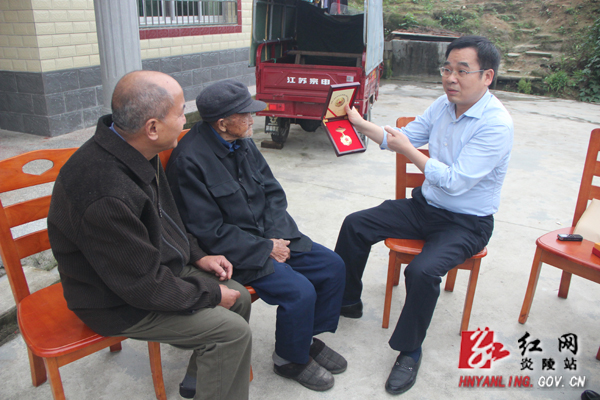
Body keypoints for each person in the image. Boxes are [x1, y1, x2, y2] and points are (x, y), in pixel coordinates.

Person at [47, 71, 252, 400]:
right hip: (115, 302)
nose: (185, 121)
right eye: (181, 112)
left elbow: (167, 220)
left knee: (238, 295)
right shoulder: (104, 191)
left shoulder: (135, 150)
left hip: (150, 269)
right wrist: (211, 294)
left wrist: (198, 255)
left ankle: (202, 379)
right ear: (152, 127)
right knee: (231, 332)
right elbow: (142, 287)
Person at [334, 36, 514, 395]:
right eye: (447, 69)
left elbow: (456, 182)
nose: (451, 78)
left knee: (422, 270)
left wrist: (409, 151)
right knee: (356, 224)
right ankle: (346, 300)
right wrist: (357, 122)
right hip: (424, 207)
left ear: (487, 76)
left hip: (466, 223)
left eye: (462, 71)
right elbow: (400, 137)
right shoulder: (444, 105)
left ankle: (410, 350)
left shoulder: (496, 125)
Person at [165, 79, 347, 392]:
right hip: (238, 252)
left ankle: (303, 338)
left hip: (271, 235)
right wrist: (265, 248)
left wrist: (276, 239)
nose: (253, 119)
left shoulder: (242, 141)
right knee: (299, 291)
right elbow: (208, 232)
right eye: (246, 114)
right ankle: (289, 359)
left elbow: (273, 193)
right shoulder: (189, 161)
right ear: (223, 123)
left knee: (332, 266)